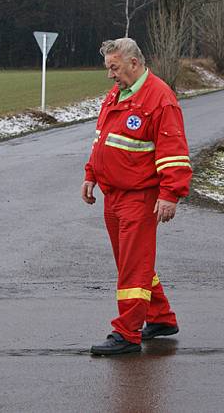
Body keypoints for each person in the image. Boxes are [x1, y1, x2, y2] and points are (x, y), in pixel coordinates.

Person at [82, 38, 192, 355]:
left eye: (114, 68)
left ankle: (127, 333)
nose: (109, 76)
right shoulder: (118, 94)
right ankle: (161, 318)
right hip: (112, 195)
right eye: (108, 68)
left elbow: (174, 153)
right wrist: (91, 174)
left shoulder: (160, 99)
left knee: (133, 267)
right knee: (130, 263)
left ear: (134, 63)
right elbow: (102, 139)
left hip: (139, 197)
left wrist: (170, 194)